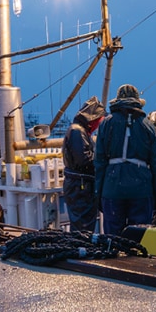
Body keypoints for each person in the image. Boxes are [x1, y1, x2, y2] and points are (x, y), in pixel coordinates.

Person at [94, 84, 156, 237]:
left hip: (112, 188)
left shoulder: (106, 123)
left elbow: (99, 162)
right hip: (141, 189)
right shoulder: (148, 126)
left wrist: (98, 192)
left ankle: (114, 260)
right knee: (139, 236)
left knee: (113, 238)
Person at [61, 96, 105, 233]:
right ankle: (81, 248)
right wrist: (102, 161)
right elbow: (84, 160)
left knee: (84, 222)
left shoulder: (80, 131)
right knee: (83, 223)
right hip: (79, 186)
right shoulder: (77, 131)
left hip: (80, 184)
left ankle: (82, 247)